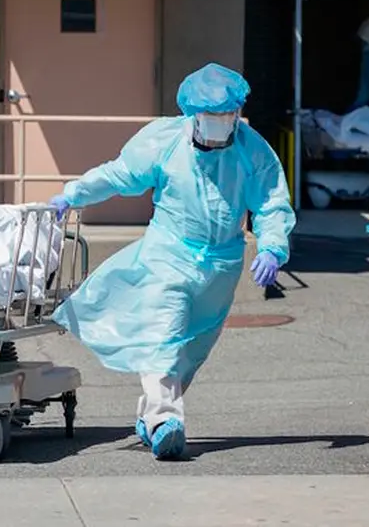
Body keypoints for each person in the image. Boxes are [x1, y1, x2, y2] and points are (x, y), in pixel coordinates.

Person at [48, 63, 296, 460]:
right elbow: (121, 175)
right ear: (192, 114)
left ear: (236, 114)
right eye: (211, 117)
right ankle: (166, 420)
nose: (219, 124)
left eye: (226, 116)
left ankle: (150, 417)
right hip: (170, 254)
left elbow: (270, 203)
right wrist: (74, 194)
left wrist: (272, 246)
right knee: (165, 335)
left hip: (222, 265)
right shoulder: (165, 141)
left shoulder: (252, 150)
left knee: (192, 350)